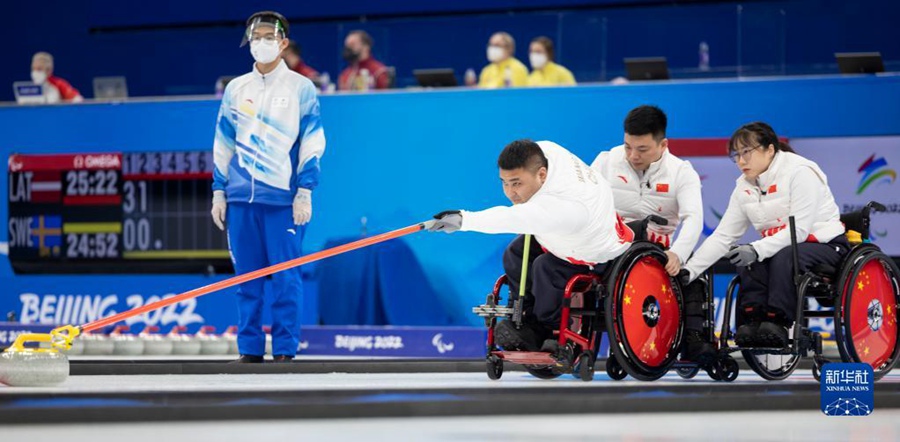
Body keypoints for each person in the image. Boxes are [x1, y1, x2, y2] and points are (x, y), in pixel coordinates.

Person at [429, 139, 632, 351]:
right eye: (504, 182)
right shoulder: (545, 150)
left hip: (590, 250)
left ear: (542, 174)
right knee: (514, 254)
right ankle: (523, 318)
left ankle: (551, 330)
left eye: (516, 183)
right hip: (562, 232)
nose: (510, 192)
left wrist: (463, 219)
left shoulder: (566, 206)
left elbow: (509, 218)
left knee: (544, 267)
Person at [211, 10, 326, 363]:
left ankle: (285, 351)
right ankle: (249, 350)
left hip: (282, 200)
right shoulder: (236, 88)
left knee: (285, 279)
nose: (261, 43)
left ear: (283, 43)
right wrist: (218, 189)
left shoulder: (300, 88)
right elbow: (223, 142)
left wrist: (305, 189)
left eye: (268, 37)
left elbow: (313, 140)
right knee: (247, 280)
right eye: (255, 37)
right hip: (240, 198)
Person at [683, 122, 848, 348]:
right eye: (737, 155)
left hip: (826, 246)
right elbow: (722, 237)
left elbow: (799, 229)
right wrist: (690, 271)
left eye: (747, 152)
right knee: (748, 260)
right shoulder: (743, 187)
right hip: (783, 247)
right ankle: (751, 321)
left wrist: (756, 249)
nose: (741, 161)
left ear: (770, 150)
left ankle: (776, 322)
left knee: (779, 255)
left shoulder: (801, 172)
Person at [590, 105, 710, 361]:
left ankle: (693, 341)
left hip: (660, 250)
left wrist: (678, 253)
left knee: (692, 273)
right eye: (628, 147)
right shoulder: (605, 161)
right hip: (614, 245)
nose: (633, 155)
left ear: (663, 144)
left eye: (642, 149)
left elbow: (693, 218)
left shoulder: (681, 172)